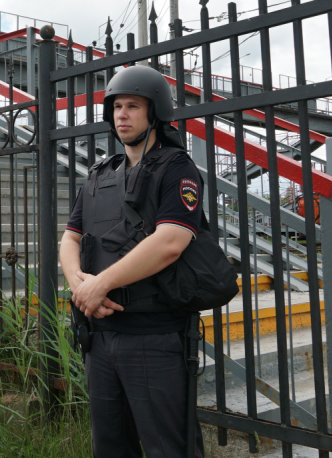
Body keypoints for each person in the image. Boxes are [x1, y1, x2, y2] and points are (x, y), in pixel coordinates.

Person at [59, 64, 205, 458]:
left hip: (153, 336)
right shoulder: (99, 175)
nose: (121, 115)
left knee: (168, 448)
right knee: (110, 447)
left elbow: (171, 242)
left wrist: (98, 284)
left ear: (154, 112)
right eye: (116, 107)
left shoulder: (177, 169)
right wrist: (81, 287)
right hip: (101, 336)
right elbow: (70, 239)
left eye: (133, 106)